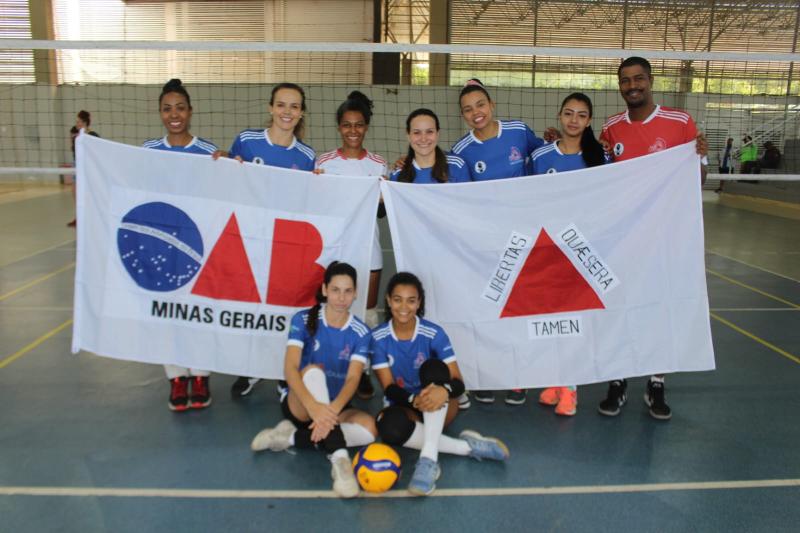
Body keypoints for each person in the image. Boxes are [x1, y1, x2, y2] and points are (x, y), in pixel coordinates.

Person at [598, 56, 709, 421]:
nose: (633, 86)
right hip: (623, 238)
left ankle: (656, 382)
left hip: (665, 238)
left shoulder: (680, 122)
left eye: (639, 79)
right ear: (620, 86)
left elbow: (698, 181)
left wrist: (700, 159)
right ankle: (617, 381)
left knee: (661, 308)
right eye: (626, 80)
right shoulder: (611, 127)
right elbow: (594, 178)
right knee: (617, 308)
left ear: (650, 80)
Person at [215, 82, 316, 398]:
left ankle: (284, 371)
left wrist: (320, 187)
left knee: (284, 309)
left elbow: (307, 201)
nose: (287, 112)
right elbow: (227, 176)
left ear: (301, 114)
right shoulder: (247, 141)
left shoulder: (306, 155)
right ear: (271, 108)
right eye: (282, 105)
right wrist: (222, 160)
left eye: (294, 106)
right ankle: (251, 369)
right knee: (252, 307)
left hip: (284, 244)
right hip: (250, 238)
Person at [368, 272, 509, 496]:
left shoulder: (433, 333)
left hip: (443, 403)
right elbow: (389, 388)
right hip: (407, 404)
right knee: (387, 427)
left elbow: (458, 383)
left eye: (411, 300)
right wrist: (416, 400)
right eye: (398, 299)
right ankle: (467, 447)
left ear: (419, 303)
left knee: (433, 368)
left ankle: (428, 461)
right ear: (388, 300)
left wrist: (442, 390)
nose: (404, 306)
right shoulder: (377, 337)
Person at [452, 78, 546, 406]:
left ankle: (519, 376)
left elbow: (546, 156)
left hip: (524, 238)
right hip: (489, 243)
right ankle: (487, 375)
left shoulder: (519, 131)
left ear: (491, 105)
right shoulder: (462, 152)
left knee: (520, 307)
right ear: (463, 116)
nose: (475, 112)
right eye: (467, 109)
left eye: (480, 105)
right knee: (489, 308)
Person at [250, 262, 376, 498]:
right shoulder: (303, 319)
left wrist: (329, 412)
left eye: (347, 291)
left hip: (335, 405)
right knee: (312, 371)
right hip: (300, 402)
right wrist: (313, 407)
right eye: (336, 290)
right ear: (325, 289)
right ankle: (340, 462)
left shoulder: (361, 332)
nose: (341, 297)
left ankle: (287, 437)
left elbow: (353, 378)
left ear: (356, 293)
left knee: (369, 430)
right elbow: (290, 368)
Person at [529, 92, 607, 416]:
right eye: (569, 113)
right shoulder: (541, 156)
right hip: (548, 249)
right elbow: (527, 197)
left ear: (589, 121)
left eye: (581, 115)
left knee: (574, 321)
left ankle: (571, 391)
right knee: (551, 319)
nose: (574, 120)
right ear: (560, 116)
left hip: (580, 249)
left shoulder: (598, 157)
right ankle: (556, 381)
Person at [142, 79, 217, 411]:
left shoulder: (208, 152)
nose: (174, 114)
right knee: (167, 314)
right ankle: (176, 378)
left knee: (198, 312)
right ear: (160, 112)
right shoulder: (147, 152)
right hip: (160, 248)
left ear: (190, 111)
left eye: (180, 107)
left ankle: (200, 375)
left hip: (196, 248)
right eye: (167, 108)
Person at [315, 91, 387, 400]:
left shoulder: (379, 164)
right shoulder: (324, 163)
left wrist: (387, 191)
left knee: (367, 312)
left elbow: (383, 211)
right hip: (334, 249)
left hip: (368, 248)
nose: (353, 131)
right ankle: (335, 367)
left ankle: (364, 372)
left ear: (366, 126)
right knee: (335, 308)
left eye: (359, 125)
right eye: (347, 125)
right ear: (339, 127)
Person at [390, 108, 471, 184]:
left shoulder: (456, 165)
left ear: (437, 134)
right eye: (417, 132)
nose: (423, 139)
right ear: (408, 135)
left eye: (429, 131)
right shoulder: (398, 173)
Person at [67, 110, 100, 228]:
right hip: (77, 164)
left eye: (80, 121)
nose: (77, 123)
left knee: (89, 192)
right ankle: (78, 217)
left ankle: (92, 216)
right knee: (75, 191)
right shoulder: (74, 132)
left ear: (85, 122)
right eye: (76, 121)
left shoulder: (93, 135)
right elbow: (73, 148)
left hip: (88, 165)